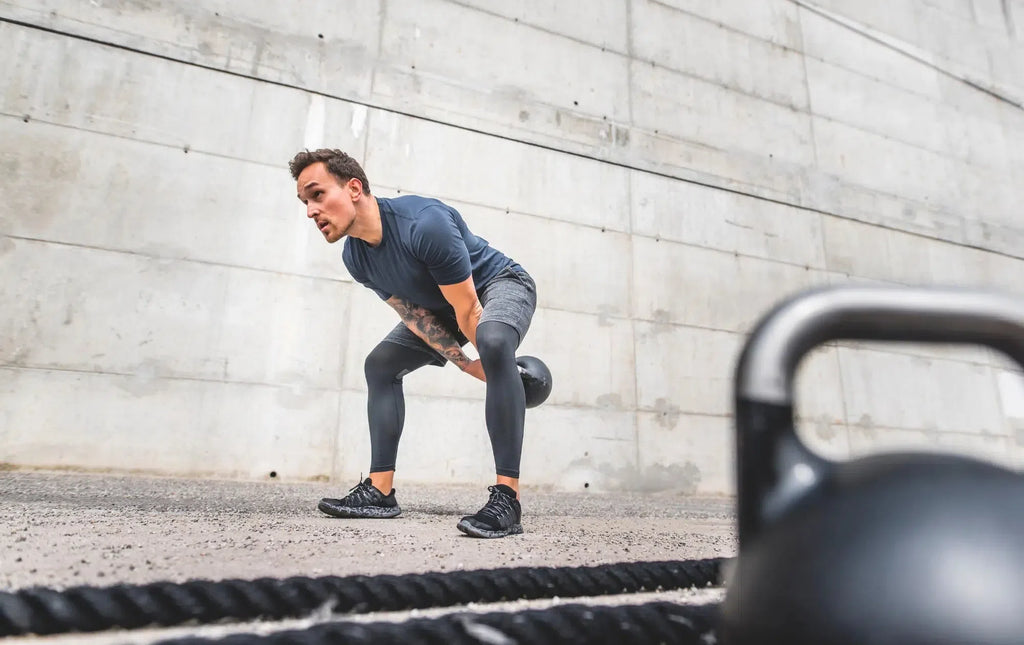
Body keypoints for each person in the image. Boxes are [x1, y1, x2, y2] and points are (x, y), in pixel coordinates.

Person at [288, 148, 538, 539]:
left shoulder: (423, 224)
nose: (310, 211)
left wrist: (490, 363)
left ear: (354, 188)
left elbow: (469, 307)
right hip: (441, 306)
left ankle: (508, 500)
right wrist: (463, 364)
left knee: (491, 338)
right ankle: (380, 491)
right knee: (381, 365)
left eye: (317, 195)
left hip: (496, 286)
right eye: (305, 201)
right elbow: (415, 316)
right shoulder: (356, 257)